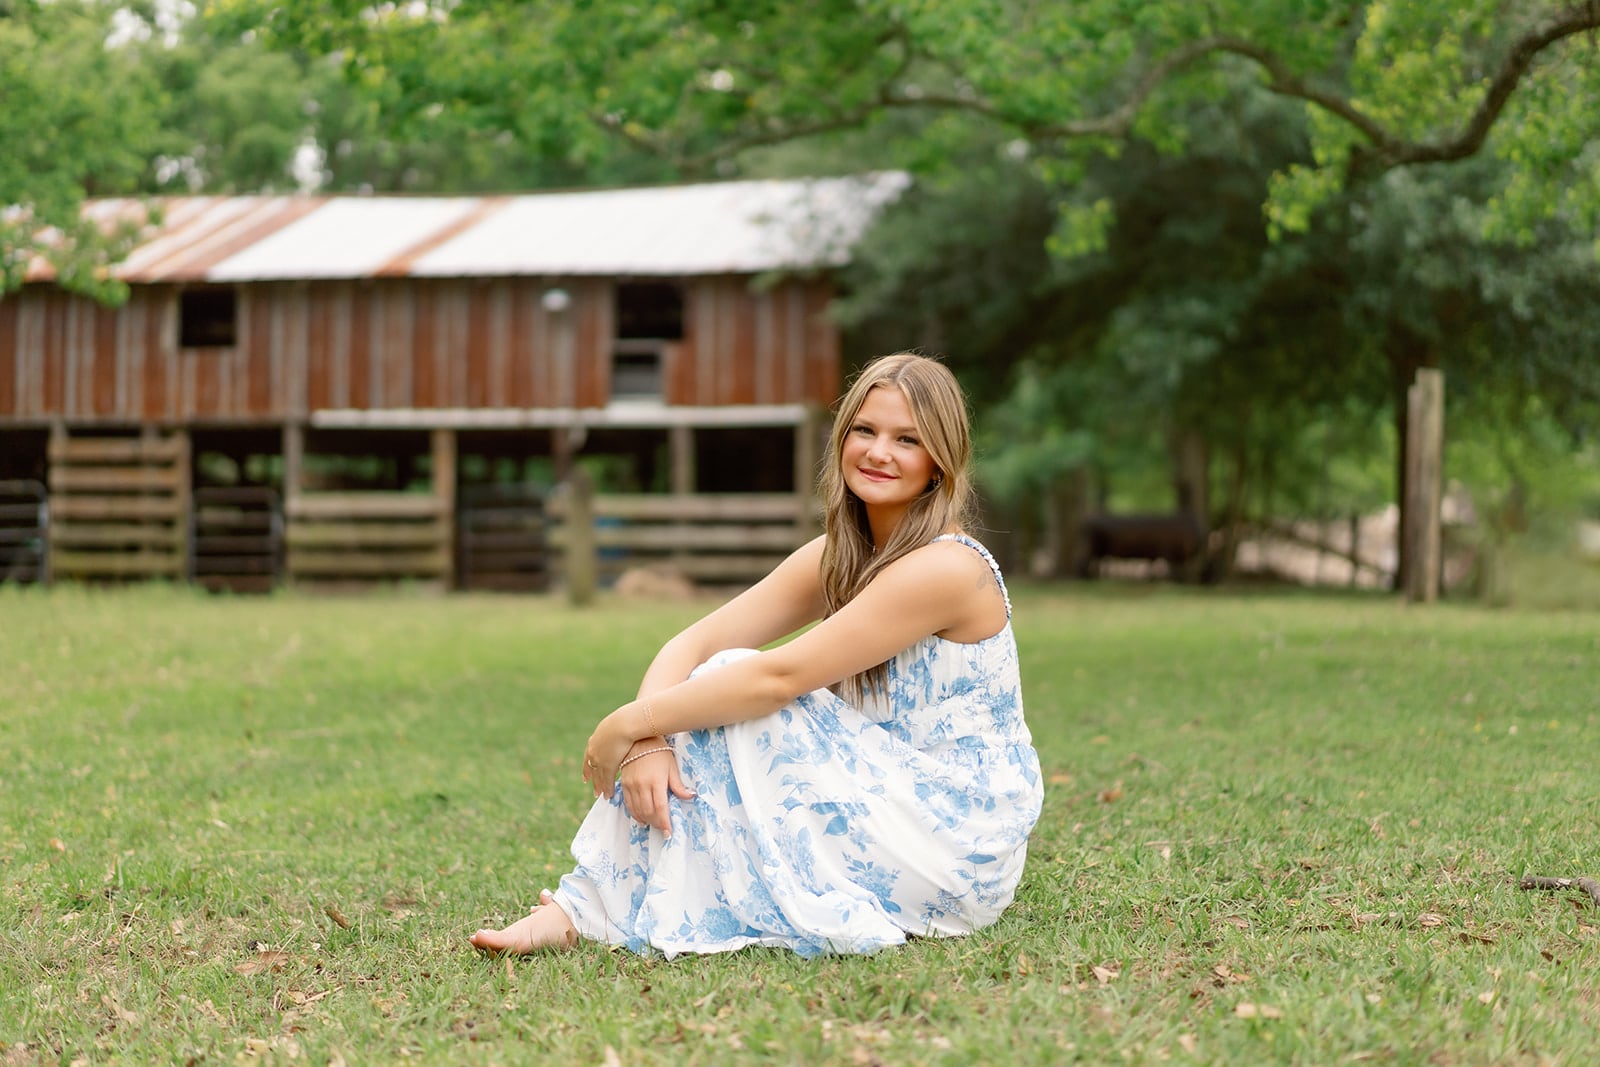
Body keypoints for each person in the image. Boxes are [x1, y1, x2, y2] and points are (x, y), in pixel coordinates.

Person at [470, 352, 1043, 958]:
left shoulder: (947, 567)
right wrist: (646, 741)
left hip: (956, 839)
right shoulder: (841, 556)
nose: (879, 452)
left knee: (729, 685)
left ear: (938, 461)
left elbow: (777, 678)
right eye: (865, 430)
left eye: (908, 439)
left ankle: (582, 912)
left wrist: (627, 723)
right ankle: (579, 908)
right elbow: (692, 642)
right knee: (709, 684)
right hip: (879, 801)